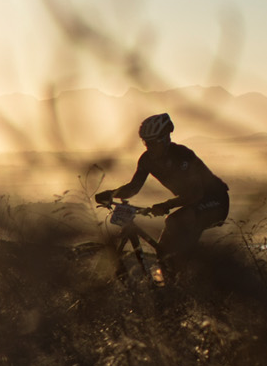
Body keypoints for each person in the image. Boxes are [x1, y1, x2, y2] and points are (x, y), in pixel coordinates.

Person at [93, 112, 230, 272]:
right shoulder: (146, 160)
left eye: (153, 143)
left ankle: (189, 272)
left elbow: (196, 193)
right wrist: (111, 194)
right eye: (146, 143)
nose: (149, 147)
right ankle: (171, 282)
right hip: (194, 202)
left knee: (175, 222)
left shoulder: (182, 155)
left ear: (165, 139)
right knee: (163, 250)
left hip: (216, 200)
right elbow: (133, 188)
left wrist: (166, 205)